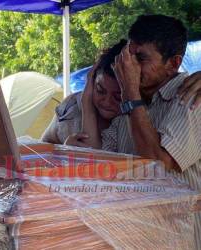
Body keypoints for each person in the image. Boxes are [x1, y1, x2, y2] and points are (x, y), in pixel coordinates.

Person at [73, 14, 200, 249]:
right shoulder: (132, 107)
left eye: (140, 58)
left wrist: (130, 91)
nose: (129, 66)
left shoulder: (190, 97)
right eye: (128, 56)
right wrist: (87, 101)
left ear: (173, 64)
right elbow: (97, 159)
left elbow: (157, 164)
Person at [41, 40, 201, 146]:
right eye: (100, 90)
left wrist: (87, 105)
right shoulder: (71, 107)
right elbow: (43, 146)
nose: (106, 101)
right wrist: (62, 151)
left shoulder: (138, 118)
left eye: (118, 96)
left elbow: (97, 162)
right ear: (91, 79)